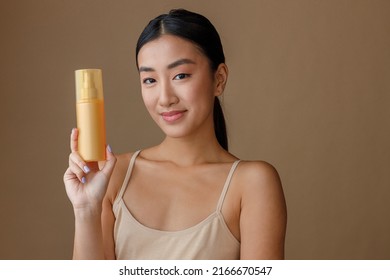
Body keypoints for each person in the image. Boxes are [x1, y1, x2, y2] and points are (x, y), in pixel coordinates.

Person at [64, 9, 287, 260]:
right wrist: (86, 210)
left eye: (180, 75)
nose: (165, 98)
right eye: (150, 80)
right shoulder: (113, 175)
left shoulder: (252, 183)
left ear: (219, 79)